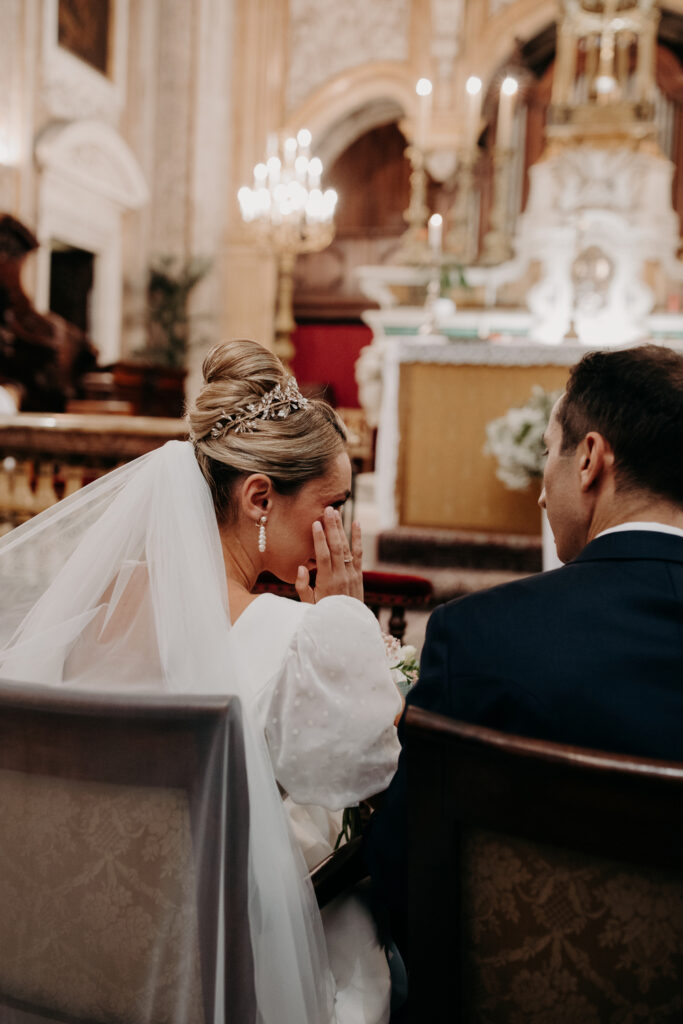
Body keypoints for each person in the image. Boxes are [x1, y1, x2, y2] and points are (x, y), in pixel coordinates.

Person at [0, 339, 402, 1024]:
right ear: (258, 498)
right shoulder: (300, 635)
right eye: (331, 503)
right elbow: (358, 774)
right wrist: (343, 618)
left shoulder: (96, 610)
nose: (342, 525)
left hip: (69, 946)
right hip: (220, 953)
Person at [365, 342, 683, 924]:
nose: (540, 492)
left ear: (589, 460)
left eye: (547, 453)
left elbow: (403, 873)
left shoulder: (479, 635)